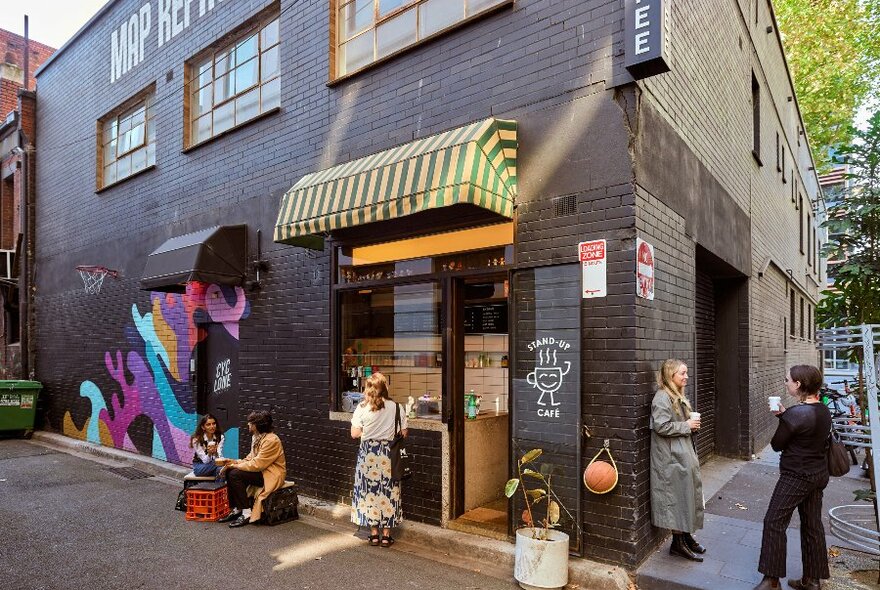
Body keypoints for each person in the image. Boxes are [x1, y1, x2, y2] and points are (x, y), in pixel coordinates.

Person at [754, 365, 832, 590]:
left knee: (774, 521)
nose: (785, 382)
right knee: (813, 525)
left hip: (796, 476)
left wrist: (783, 418)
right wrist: (784, 415)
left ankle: (771, 581)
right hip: (818, 474)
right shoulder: (823, 409)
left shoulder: (796, 414)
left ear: (798, 385)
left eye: (787, 380)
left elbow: (777, 445)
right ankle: (812, 580)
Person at [650, 358, 705, 562]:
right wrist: (687, 426)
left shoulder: (676, 396)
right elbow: (661, 426)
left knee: (686, 495)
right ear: (670, 375)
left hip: (682, 454)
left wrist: (691, 425)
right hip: (671, 458)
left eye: (686, 372)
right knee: (677, 498)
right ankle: (677, 543)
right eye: (682, 373)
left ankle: (686, 537)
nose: (686, 377)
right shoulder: (662, 398)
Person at [350, 372, 406, 547]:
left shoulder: (361, 408)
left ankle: (374, 534)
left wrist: (368, 430)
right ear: (385, 388)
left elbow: (354, 434)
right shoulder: (396, 407)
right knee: (388, 493)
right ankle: (386, 535)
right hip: (388, 455)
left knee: (369, 494)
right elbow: (403, 433)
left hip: (368, 455)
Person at [216, 410, 286, 528]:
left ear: (257, 425)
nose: (248, 425)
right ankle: (237, 509)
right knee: (230, 471)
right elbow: (251, 457)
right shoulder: (256, 437)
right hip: (261, 471)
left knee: (235, 474)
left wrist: (235, 465)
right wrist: (233, 462)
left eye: (250, 423)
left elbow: (258, 464)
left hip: (270, 475)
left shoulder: (272, 440)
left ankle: (247, 513)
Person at [189, 414, 225, 478]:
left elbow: (219, 456)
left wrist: (215, 452)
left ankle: (217, 487)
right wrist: (209, 454)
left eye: (214, 423)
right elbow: (205, 461)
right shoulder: (197, 439)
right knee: (223, 466)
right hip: (200, 466)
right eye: (208, 424)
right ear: (203, 427)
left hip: (214, 464)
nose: (212, 426)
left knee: (220, 470)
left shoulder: (220, 437)